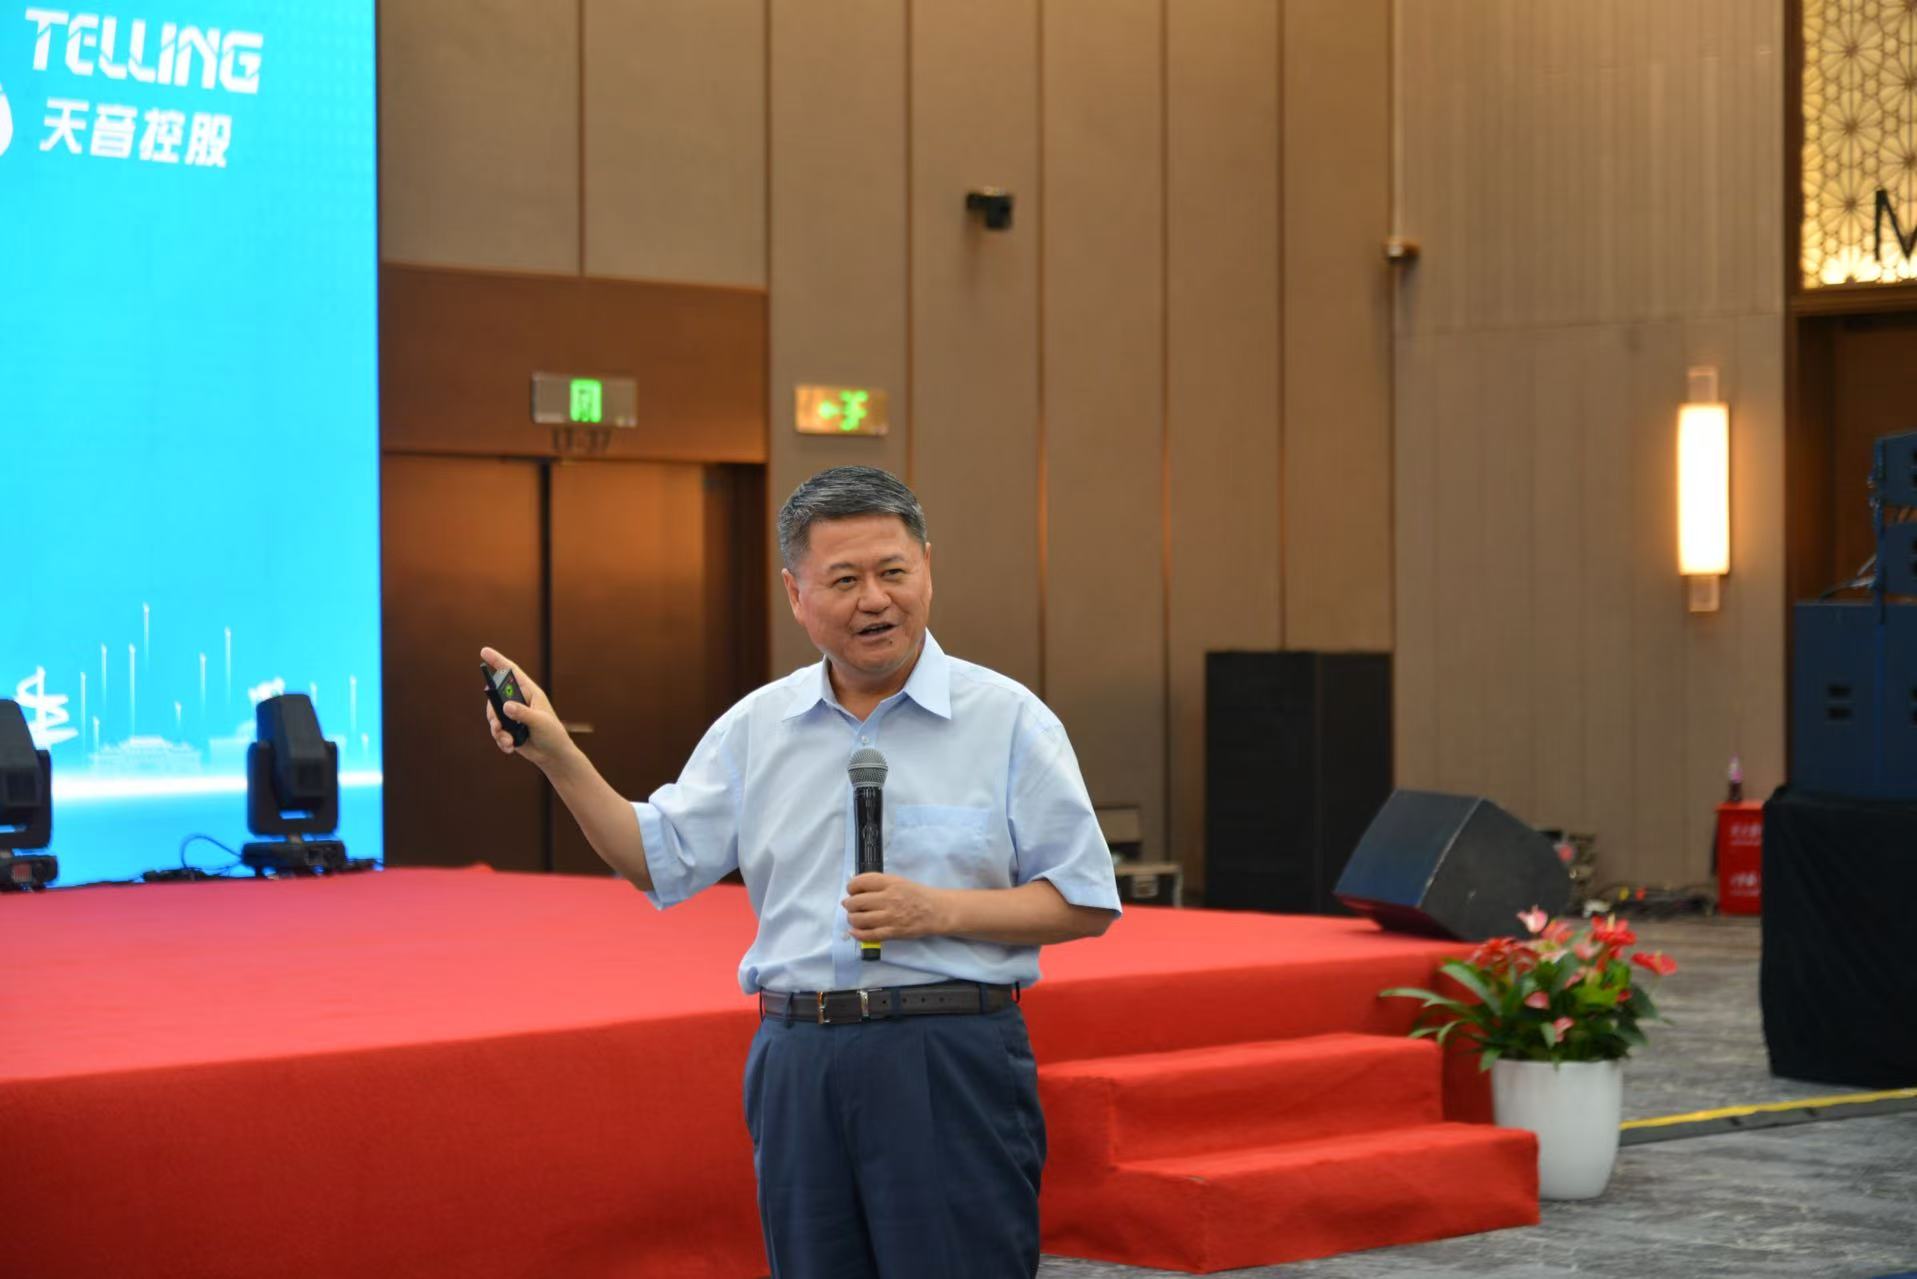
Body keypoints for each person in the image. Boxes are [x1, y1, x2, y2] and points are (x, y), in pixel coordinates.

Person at [482, 465, 1121, 1279]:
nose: (875, 599)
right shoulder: (758, 726)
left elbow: (1082, 899)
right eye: (844, 579)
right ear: (795, 592)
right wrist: (556, 756)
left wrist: (938, 911)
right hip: (797, 1057)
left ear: (928, 567)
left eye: (893, 571)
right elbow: (654, 855)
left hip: (946, 1051)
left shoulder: (1007, 719)